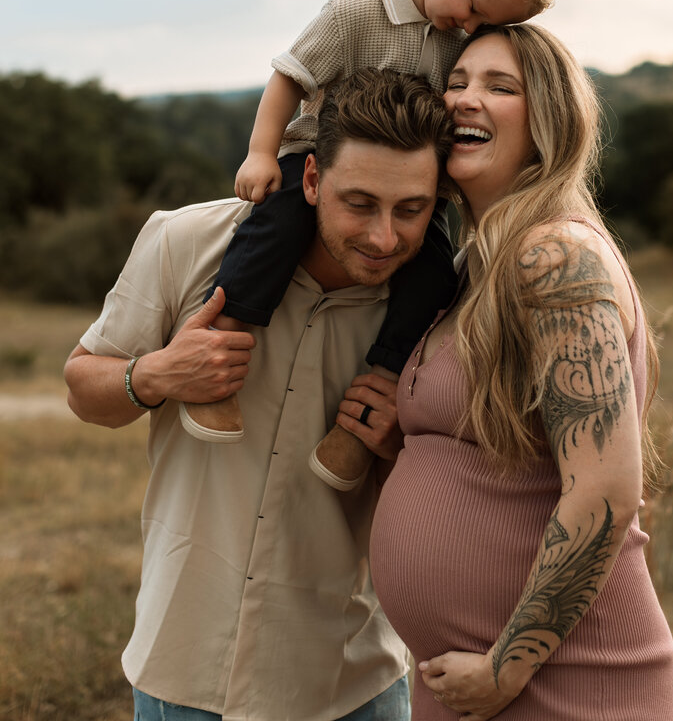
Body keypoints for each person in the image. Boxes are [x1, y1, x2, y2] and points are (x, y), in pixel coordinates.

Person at [63, 69, 455, 721]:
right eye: (358, 203)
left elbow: (456, 506)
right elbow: (83, 389)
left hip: (351, 687)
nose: (385, 237)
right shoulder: (182, 242)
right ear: (309, 181)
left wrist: (402, 449)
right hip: (181, 671)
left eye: (411, 210)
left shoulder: (445, 312)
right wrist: (156, 375)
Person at [187, 0, 565, 493]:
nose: (468, 27)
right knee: (273, 231)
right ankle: (218, 355)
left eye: (481, 23)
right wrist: (261, 153)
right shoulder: (354, 11)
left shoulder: (456, 28)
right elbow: (290, 76)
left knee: (435, 274)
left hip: (412, 189)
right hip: (319, 160)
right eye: (471, 9)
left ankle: (368, 411)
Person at [367, 26, 673, 721]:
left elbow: (605, 492)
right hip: (465, 683)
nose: (465, 100)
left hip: (566, 682)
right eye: (457, 82)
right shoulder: (471, 267)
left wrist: (507, 667)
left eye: (499, 87)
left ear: (550, 121)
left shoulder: (555, 257)